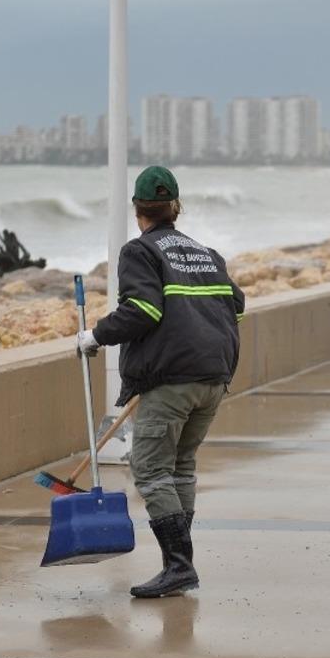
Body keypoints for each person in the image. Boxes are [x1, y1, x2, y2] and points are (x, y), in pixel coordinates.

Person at [77, 165, 245, 599]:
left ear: (138, 210)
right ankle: (180, 565)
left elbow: (143, 311)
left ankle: (178, 566)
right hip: (214, 377)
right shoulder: (205, 253)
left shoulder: (140, 252)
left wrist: (94, 335)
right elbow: (236, 306)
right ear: (175, 208)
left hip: (172, 381)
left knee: (150, 468)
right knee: (180, 466)